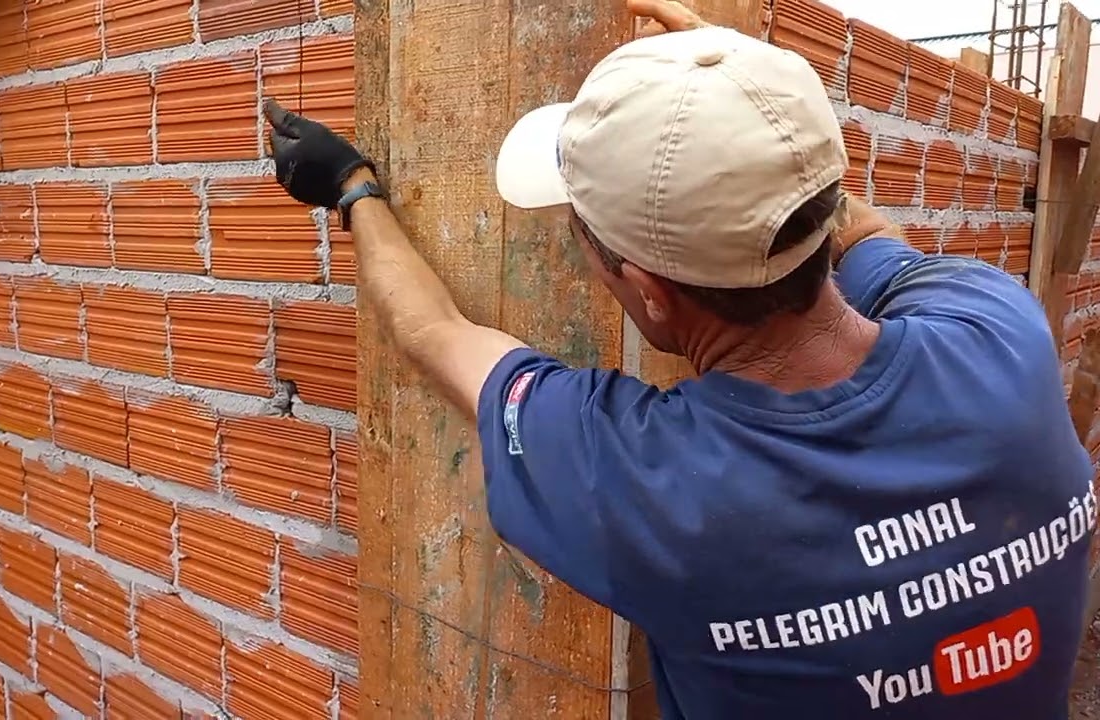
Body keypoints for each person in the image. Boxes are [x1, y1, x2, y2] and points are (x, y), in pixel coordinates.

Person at [262, 1, 1096, 717]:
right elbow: (873, 238)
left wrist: (352, 189)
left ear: (652, 293)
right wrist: (753, 119)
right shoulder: (1000, 332)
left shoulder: (653, 486)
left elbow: (436, 332)